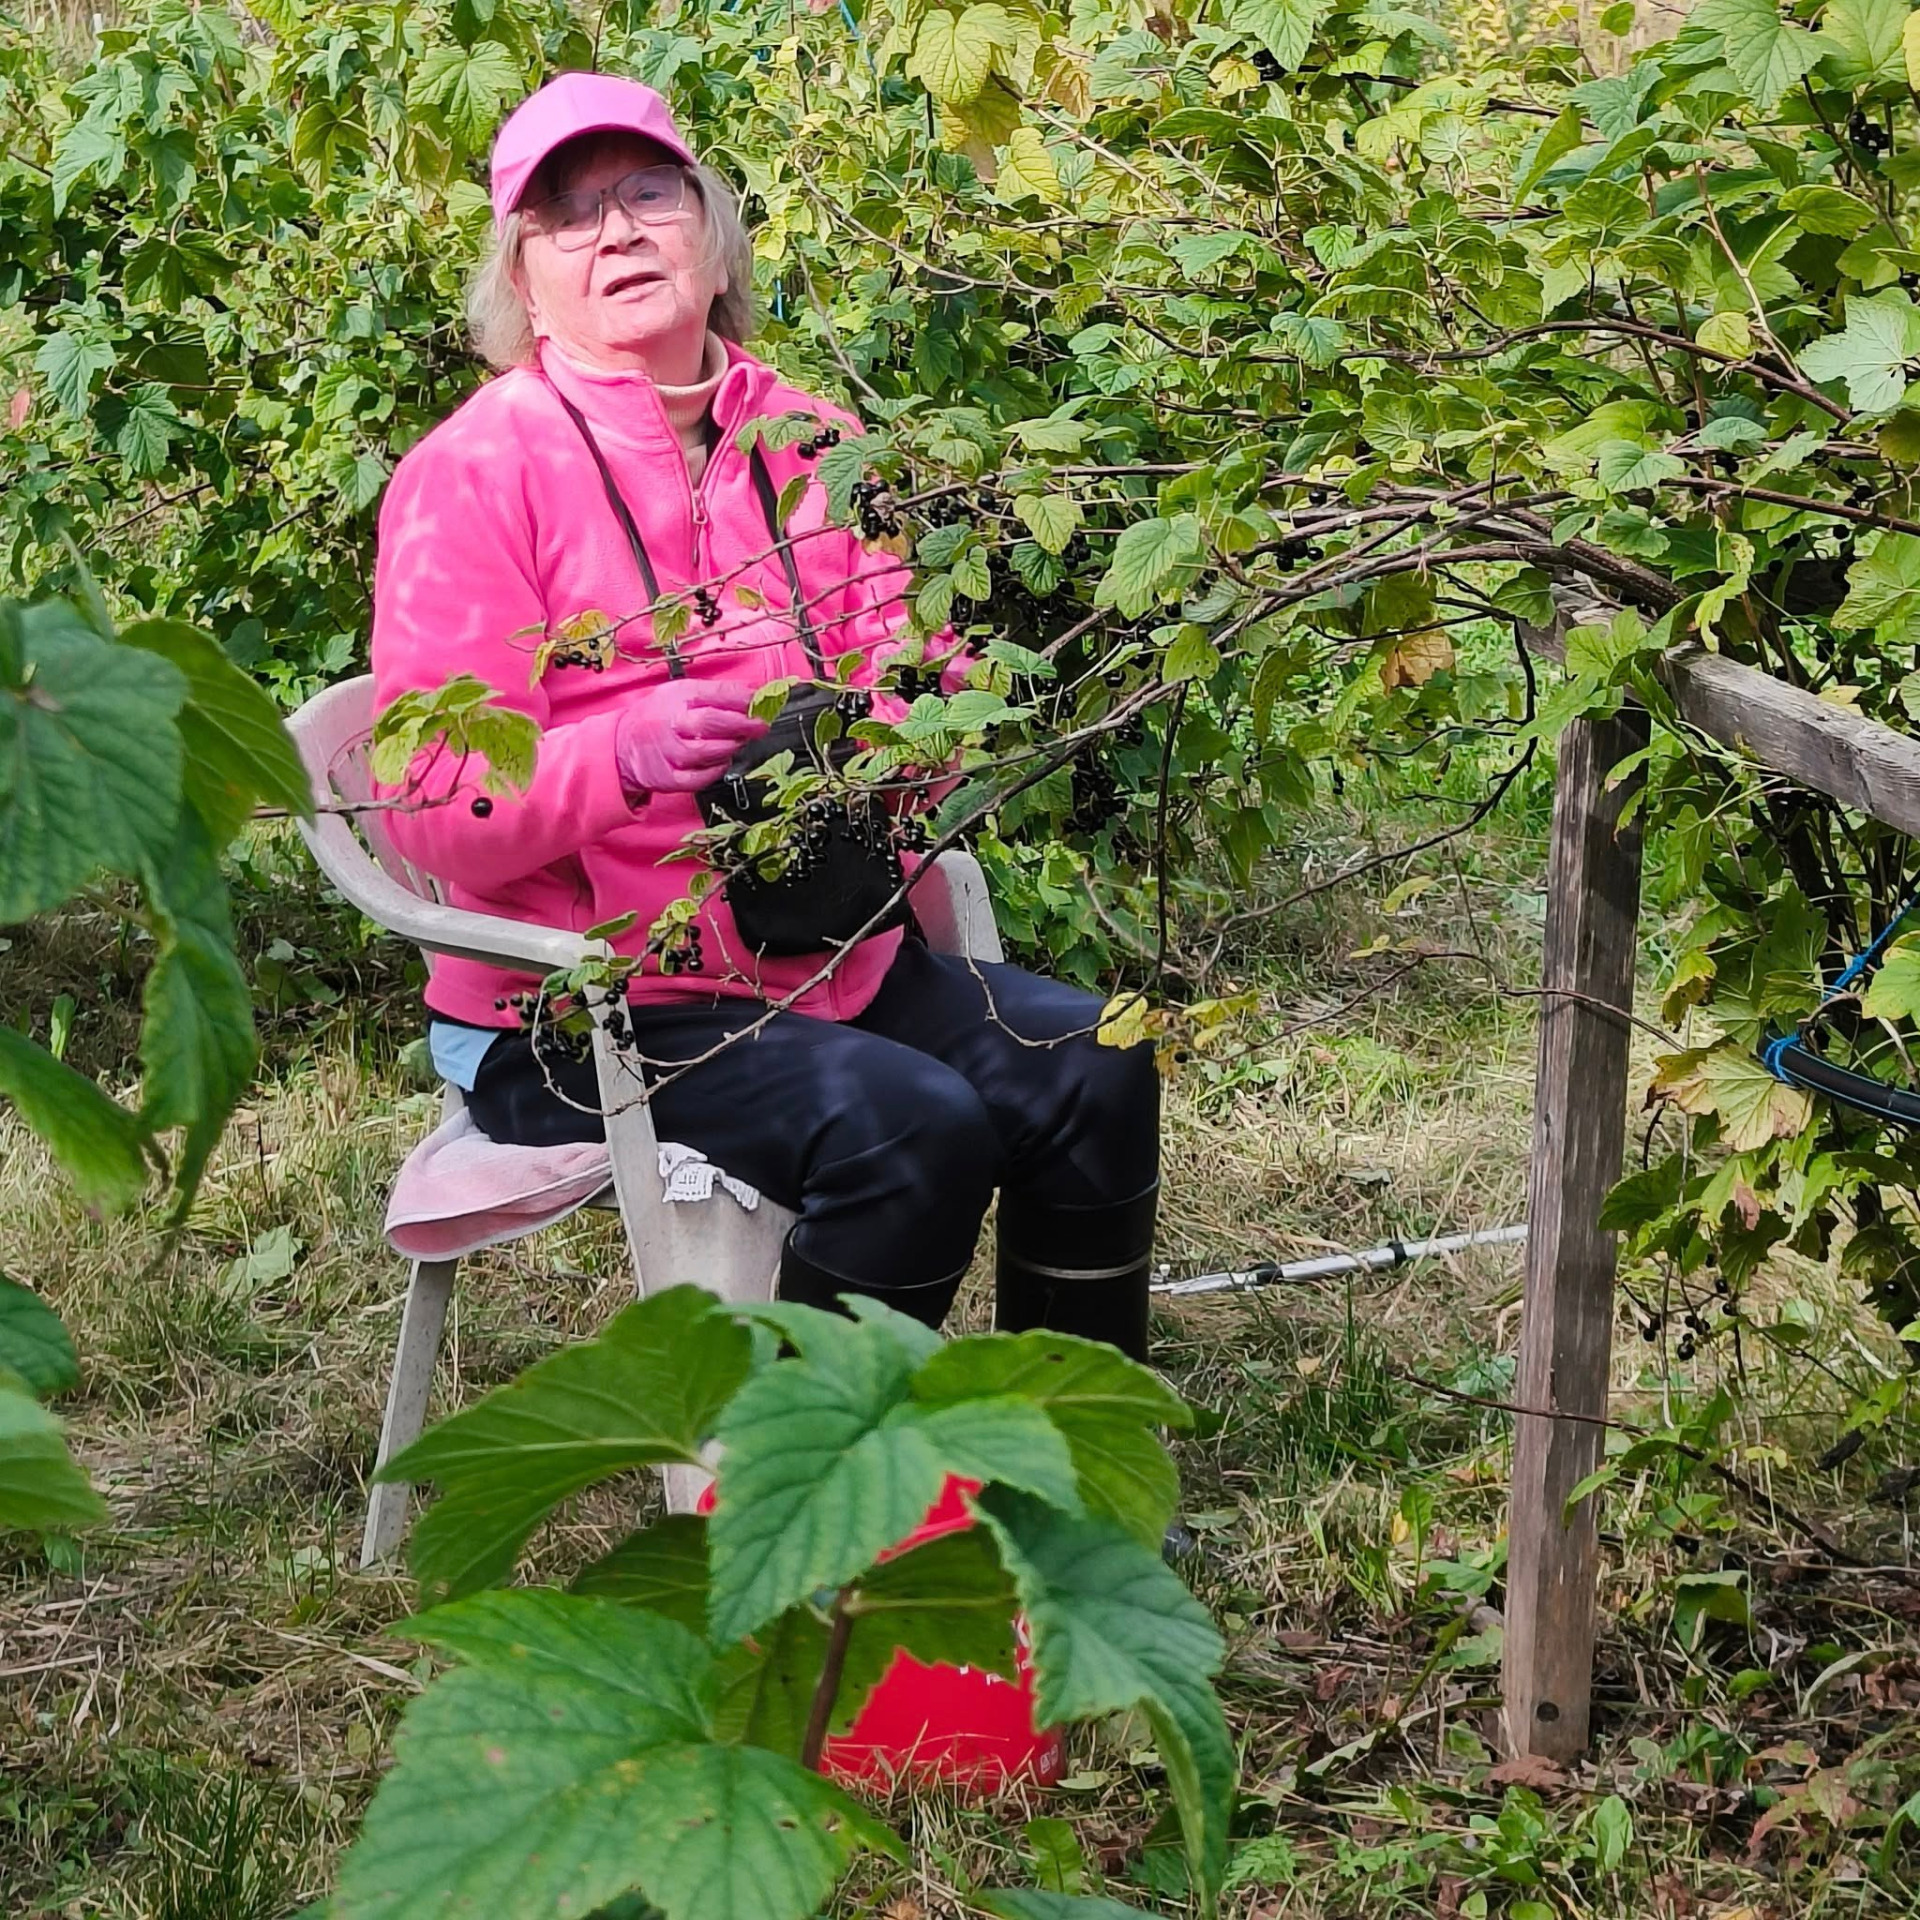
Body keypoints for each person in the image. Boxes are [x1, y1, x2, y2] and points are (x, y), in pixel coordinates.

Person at [370, 72, 1159, 1356]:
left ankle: (1074, 1471)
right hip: (583, 1011)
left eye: (646, 193)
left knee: (1098, 1062)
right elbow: (432, 809)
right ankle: (815, 1510)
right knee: (912, 1126)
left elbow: (907, 658)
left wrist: (944, 704)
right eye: (568, 214)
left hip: (823, 954)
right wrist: (618, 752)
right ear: (522, 278)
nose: (618, 231)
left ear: (711, 226)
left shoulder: (807, 436)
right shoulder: (472, 475)